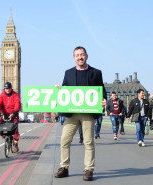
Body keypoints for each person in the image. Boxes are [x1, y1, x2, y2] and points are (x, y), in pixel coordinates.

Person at [53, 46, 107, 181]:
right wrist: (59, 89)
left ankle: (89, 169)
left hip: (88, 113)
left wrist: (103, 100)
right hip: (71, 114)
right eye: (77, 55)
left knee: (88, 142)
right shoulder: (68, 73)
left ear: (86, 56)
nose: (80, 57)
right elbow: (64, 90)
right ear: (74, 58)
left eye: (82, 55)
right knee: (64, 140)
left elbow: (102, 90)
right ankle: (64, 167)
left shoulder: (96, 73)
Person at [0, 82, 21, 153]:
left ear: (11, 88)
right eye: (6, 88)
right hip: (5, 113)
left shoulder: (15, 95)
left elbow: (17, 103)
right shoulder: (1, 95)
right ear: (4, 89)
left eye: (9, 88)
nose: (7, 90)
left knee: (15, 129)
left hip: (14, 113)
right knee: (0, 120)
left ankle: (16, 145)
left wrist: (16, 111)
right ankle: (3, 133)